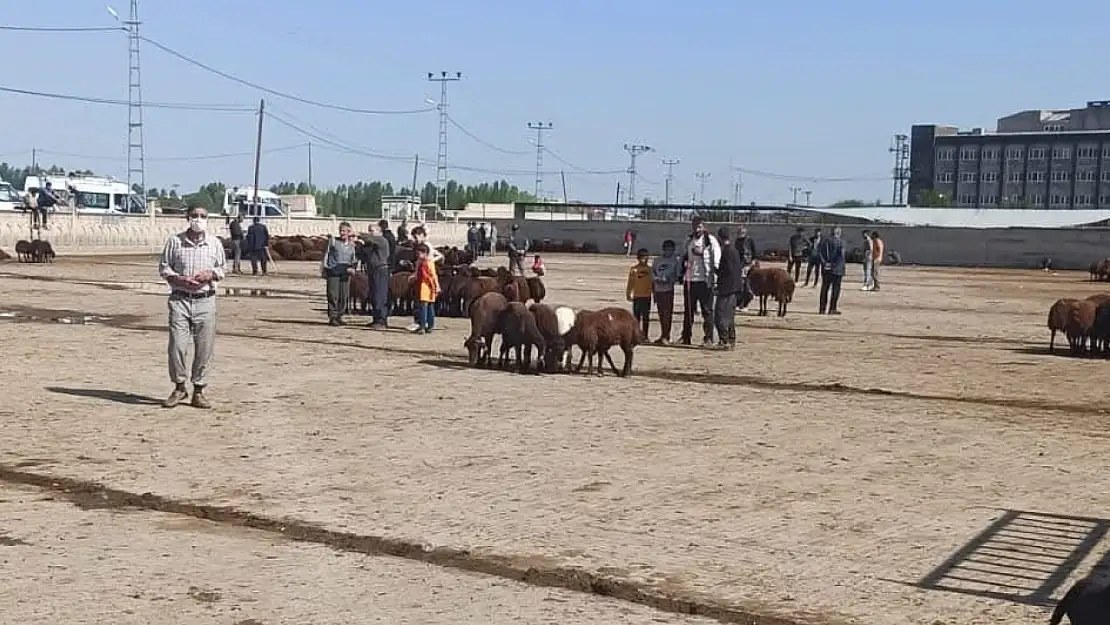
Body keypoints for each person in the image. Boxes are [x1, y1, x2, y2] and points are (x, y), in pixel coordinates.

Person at [157, 206, 227, 409]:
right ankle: (179, 387)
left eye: (203, 216)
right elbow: (164, 267)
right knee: (177, 346)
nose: (198, 219)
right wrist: (178, 278)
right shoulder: (175, 242)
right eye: (195, 216)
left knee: (204, 348)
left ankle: (199, 390)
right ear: (188, 218)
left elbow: (222, 269)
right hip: (180, 300)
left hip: (205, 300)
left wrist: (210, 275)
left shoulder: (214, 243)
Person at [680, 216, 720, 347]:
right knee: (689, 311)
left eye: (699, 226)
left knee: (707, 310)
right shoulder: (688, 240)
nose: (697, 228)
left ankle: (708, 338)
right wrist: (683, 265)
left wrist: (702, 253)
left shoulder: (710, 241)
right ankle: (686, 336)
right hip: (690, 280)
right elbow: (684, 256)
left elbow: (716, 260)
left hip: (705, 280)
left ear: (704, 227)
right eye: (695, 226)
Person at [320, 222, 358, 326]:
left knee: (344, 295)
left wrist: (353, 268)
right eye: (341, 230)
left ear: (349, 232)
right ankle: (333, 317)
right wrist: (324, 269)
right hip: (334, 272)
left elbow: (354, 259)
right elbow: (326, 255)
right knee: (333, 295)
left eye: (345, 231)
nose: (342, 233)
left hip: (345, 273)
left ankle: (340, 316)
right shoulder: (333, 242)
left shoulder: (352, 245)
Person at [713, 228, 744, 350]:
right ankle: (731, 340)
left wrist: (717, 272)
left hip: (727, 289)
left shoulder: (726, 252)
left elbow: (727, 271)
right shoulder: (734, 251)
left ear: (719, 238)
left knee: (720, 316)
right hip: (734, 288)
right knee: (729, 316)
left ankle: (724, 340)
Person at [650, 239, 682, 345]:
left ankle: (666, 336)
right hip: (658, 290)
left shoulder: (675, 261)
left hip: (668, 291)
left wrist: (668, 279)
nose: (670, 251)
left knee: (667, 314)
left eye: (671, 249)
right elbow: (652, 273)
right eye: (668, 249)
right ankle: (663, 334)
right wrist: (656, 280)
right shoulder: (657, 260)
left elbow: (677, 276)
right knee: (661, 314)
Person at [363, 223, 391, 328]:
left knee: (380, 295)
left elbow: (367, 237)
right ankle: (375, 319)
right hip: (372, 271)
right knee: (373, 295)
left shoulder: (381, 240)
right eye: (369, 230)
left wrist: (356, 233)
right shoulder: (372, 244)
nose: (370, 233)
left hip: (381, 270)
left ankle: (382, 320)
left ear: (379, 232)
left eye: (372, 230)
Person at [817, 226, 846, 315]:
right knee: (835, 289)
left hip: (826, 268)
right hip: (837, 269)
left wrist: (825, 263)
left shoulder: (823, 241)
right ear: (838, 233)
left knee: (824, 288)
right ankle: (832, 308)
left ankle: (822, 309)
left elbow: (819, 253)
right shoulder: (840, 242)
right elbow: (841, 255)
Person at [626, 248, 653, 339]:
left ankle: (645, 335)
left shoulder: (650, 270)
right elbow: (630, 282)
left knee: (646, 317)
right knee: (636, 318)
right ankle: (636, 335)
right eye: (642, 258)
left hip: (647, 296)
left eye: (646, 258)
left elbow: (653, 283)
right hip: (637, 296)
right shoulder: (634, 269)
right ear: (638, 258)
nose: (644, 260)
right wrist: (628, 293)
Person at [413, 243, 439, 334]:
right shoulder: (429, 262)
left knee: (424, 307)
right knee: (430, 307)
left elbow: (432, 276)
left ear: (424, 253)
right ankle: (430, 326)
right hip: (429, 287)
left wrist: (436, 285)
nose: (418, 256)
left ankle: (423, 326)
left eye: (419, 253)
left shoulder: (426, 263)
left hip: (425, 286)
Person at [733, 225, 757, 310]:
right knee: (740, 286)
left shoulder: (749, 240)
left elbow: (754, 252)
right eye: (739, 232)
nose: (740, 234)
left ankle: (745, 303)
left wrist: (751, 263)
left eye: (742, 232)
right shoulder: (737, 241)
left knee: (747, 285)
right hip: (740, 265)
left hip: (748, 264)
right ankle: (739, 303)